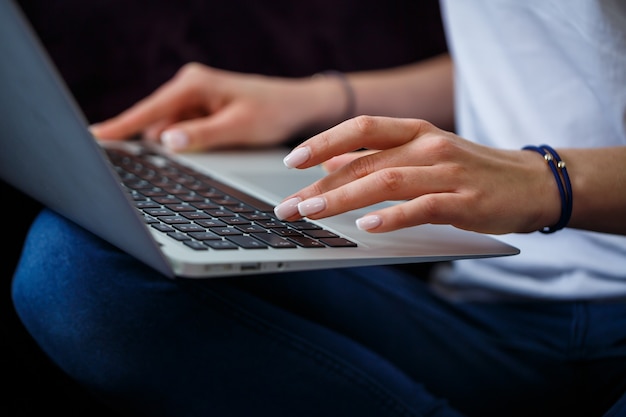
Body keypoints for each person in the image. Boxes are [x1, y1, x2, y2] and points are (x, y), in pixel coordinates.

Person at [10, 0, 626, 416]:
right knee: (77, 271)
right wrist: (315, 98)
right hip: (483, 305)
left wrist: (547, 181)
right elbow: (554, 57)